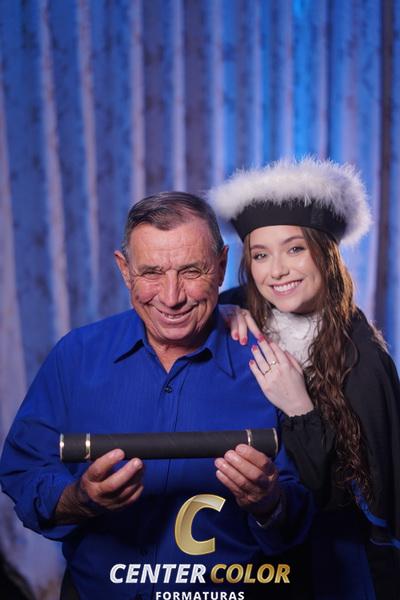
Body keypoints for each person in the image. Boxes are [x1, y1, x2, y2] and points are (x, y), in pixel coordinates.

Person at [0, 192, 314, 600]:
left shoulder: (271, 368)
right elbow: (23, 469)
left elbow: (309, 508)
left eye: (191, 271)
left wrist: (269, 503)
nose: (171, 297)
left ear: (221, 267)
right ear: (124, 270)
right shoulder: (76, 355)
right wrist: (78, 499)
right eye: (151, 272)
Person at [209, 158, 400, 600]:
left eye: (294, 249)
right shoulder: (233, 312)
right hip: (234, 551)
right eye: (261, 255)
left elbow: (339, 500)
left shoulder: (365, 359)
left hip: (325, 568)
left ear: (326, 253)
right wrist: (222, 310)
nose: (276, 270)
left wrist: (300, 408)